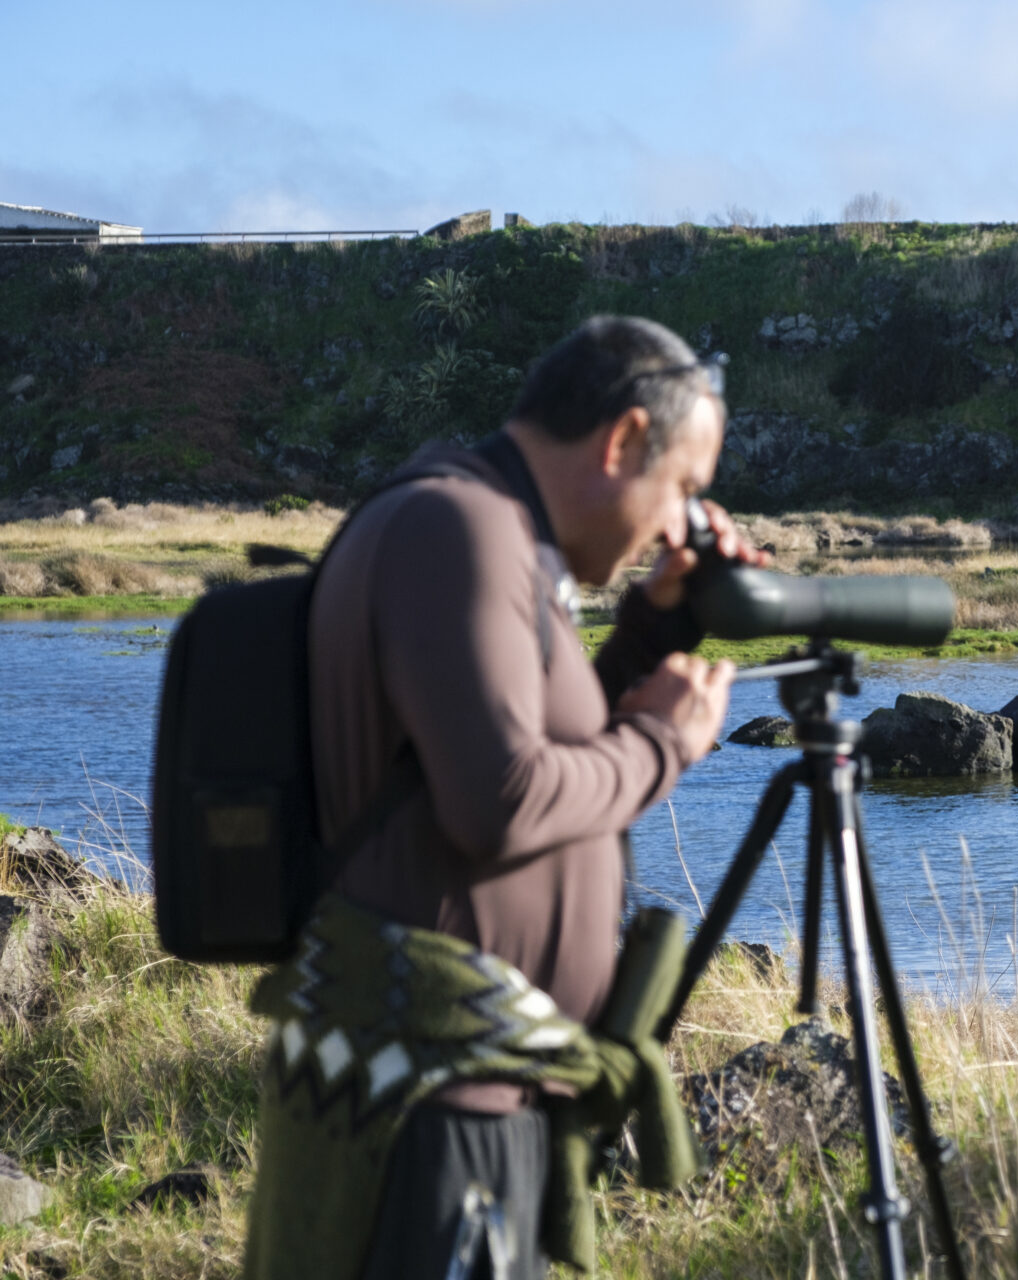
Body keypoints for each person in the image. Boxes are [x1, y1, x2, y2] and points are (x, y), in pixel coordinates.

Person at [242, 316, 766, 1279]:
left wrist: (654, 631)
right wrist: (664, 741)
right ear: (620, 443)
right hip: (424, 1107)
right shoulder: (459, 527)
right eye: (684, 487)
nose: (681, 520)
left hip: (463, 1091)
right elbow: (501, 802)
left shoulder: (494, 536)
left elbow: (518, 768)